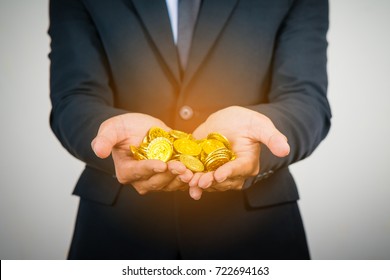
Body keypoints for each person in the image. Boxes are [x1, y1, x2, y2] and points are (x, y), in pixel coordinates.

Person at [49, 0, 331, 259]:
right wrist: (107, 136)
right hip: (116, 232)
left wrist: (262, 141)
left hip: (258, 233)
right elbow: (74, 96)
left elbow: (305, 99)